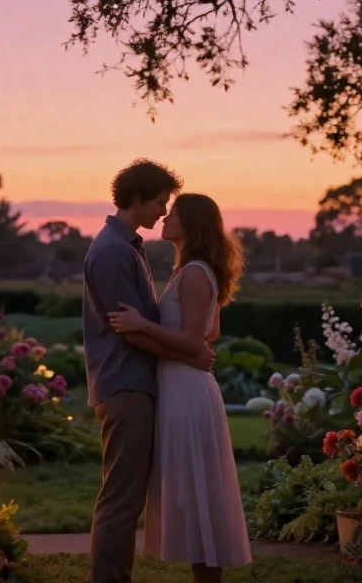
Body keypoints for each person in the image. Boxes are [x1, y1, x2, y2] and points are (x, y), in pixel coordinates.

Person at [108, 192, 253, 583]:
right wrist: (192, 348)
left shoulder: (193, 274)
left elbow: (193, 340)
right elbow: (210, 333)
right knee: (193, 491)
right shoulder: (192, 271)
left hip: (186, 390)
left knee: (197, 491)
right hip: (183, 384)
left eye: (172, 213)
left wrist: (142, 325)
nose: (164, 218)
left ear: (190, 223)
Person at [83, 159, 216, 583]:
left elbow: (143, 326)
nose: (162, 211)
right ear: (137, 199)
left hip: (134, 383)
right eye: (159, 203)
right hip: (125, 385)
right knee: (122, 499)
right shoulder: (112, 251)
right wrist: (190, 355)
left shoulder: (129, 246)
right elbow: (130, 332)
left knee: (126, 497)